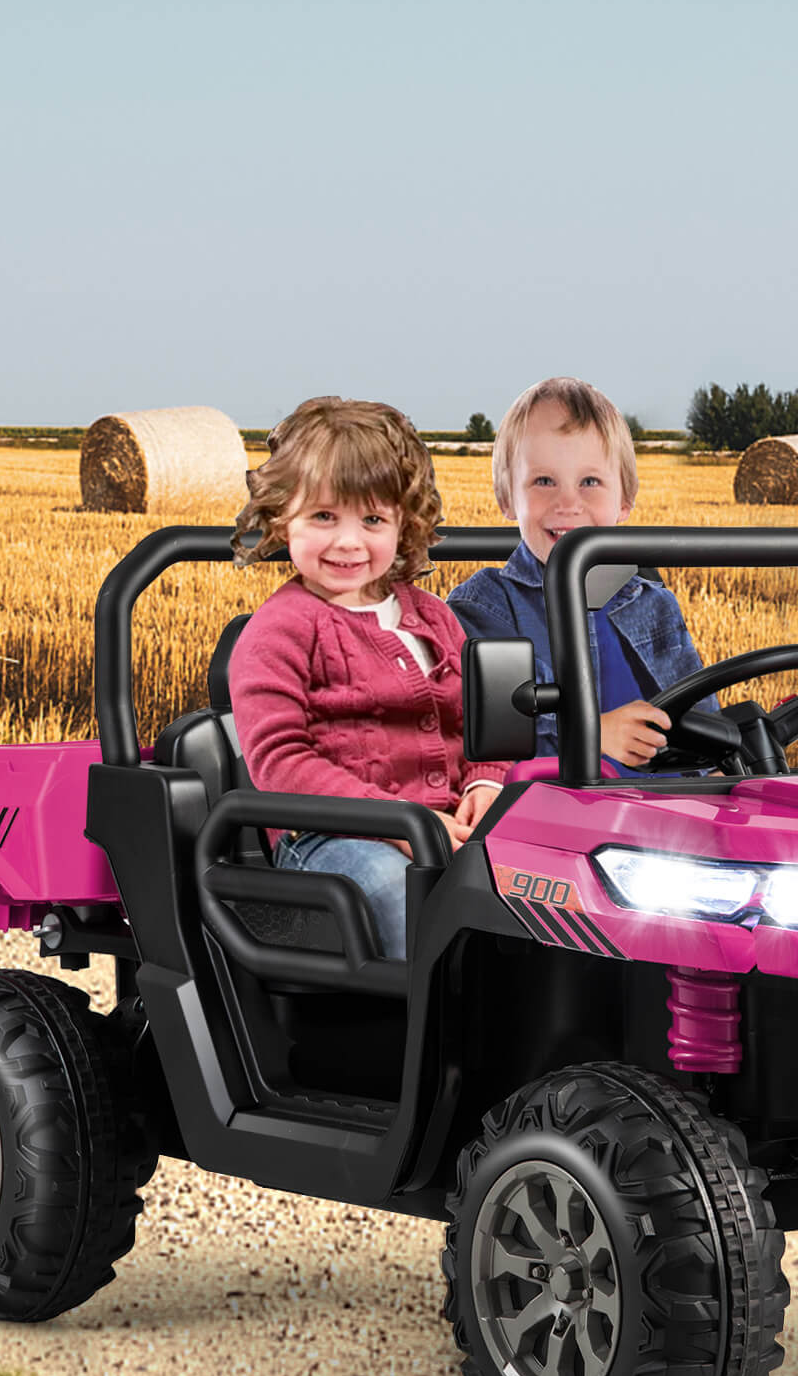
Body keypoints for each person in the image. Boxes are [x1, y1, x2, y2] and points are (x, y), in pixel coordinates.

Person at [228, 397, 509, 958]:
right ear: (283, 517)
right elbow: (280, 761)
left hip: (450, 823)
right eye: (324, 516)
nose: (348, 542)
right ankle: (434, 1016)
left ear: (405, 524)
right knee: (398, 893)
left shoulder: (434, 617)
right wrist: (398, 822)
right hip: (331, 837)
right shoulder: (279, 630)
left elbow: (479, 720)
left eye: (373, 520)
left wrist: (485, 781)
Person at [447, 376, 715, 772]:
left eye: (590, 481)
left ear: (624, 500)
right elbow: (496, 725)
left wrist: (719, 759)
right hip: (555, 803)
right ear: (507, 498)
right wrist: (592, 732)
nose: (568, 503)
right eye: (544, 481)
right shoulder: (486, 605)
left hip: (668, 801)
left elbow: (701, 714)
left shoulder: (656, 604)